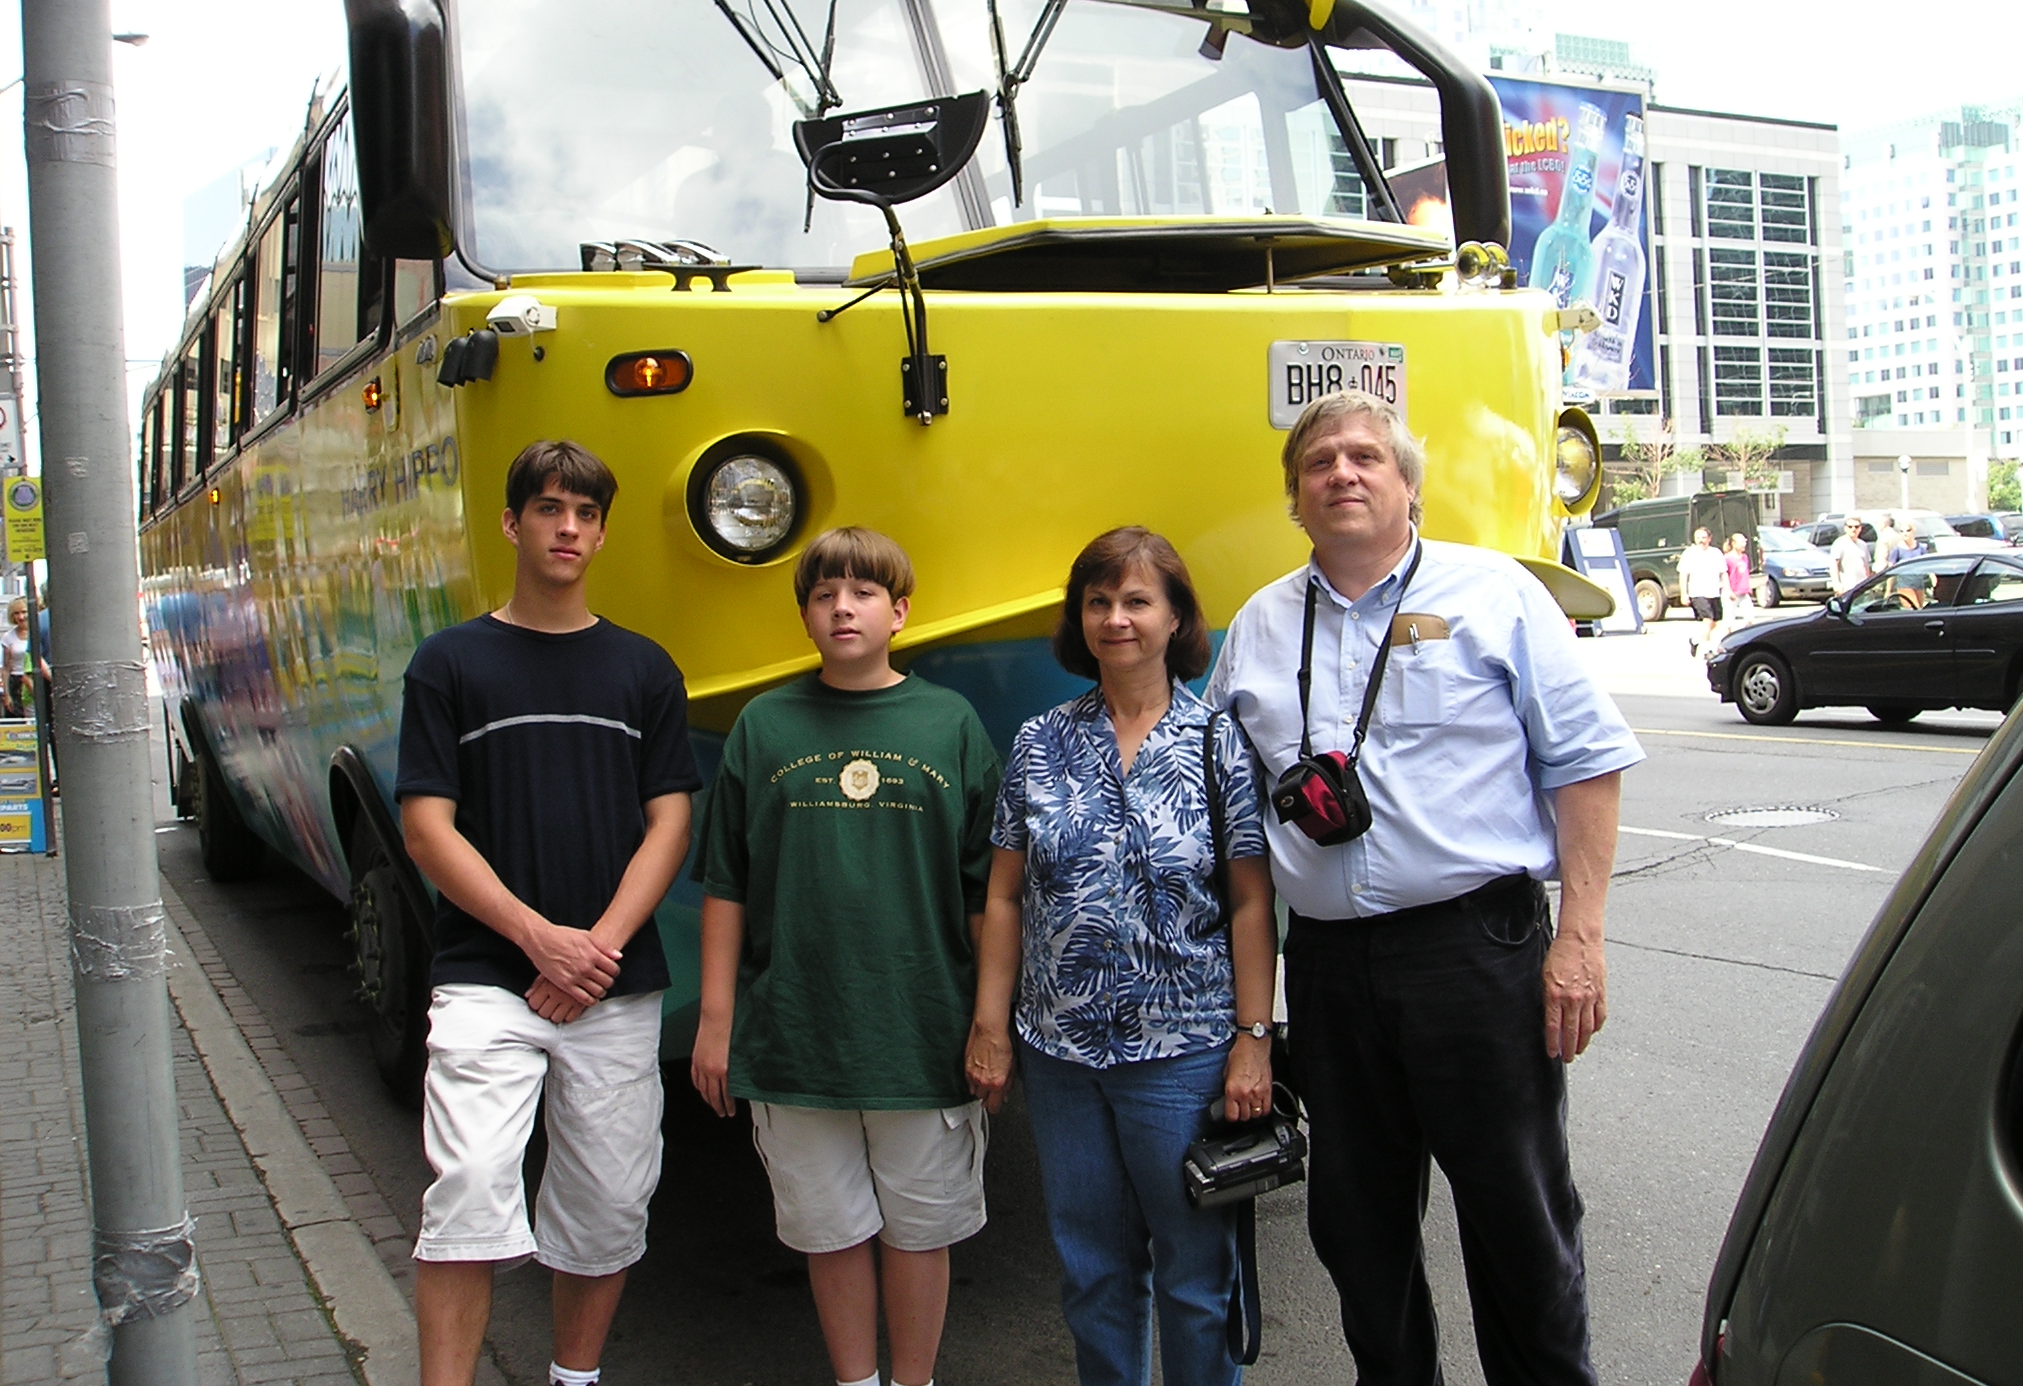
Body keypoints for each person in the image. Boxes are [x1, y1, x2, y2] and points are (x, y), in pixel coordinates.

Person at [1204, 390, 1644, 1386]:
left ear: (1407, 484)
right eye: (1318, 462)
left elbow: (1585, 762)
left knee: (1516, 1216)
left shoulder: (1495, 594)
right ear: (1295, 497)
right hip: (1328, 967)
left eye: (1365, 456)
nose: (1341, 473)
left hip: (1472, 954)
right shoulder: (1260, 625)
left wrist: (1579, 939)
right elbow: (1225, 809)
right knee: (1356, 1229)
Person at [395, 440, 700, 1386]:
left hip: (612, 984)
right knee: (468, 1192)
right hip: (488, 980)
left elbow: (671, 823)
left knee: (609, 1205)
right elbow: (426, 829)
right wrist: (538, 940)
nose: (568, 528)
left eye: (585, 514)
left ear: (601, 535)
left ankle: (576, 1378)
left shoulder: (644, 669)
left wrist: (594, 951)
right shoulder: (449, 663)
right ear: (512, 523)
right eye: (549, 509)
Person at [965, 528, 1276, 1386]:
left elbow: (1252, 902)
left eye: (1138, 600)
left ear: (1176, 618)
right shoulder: (1040, 740)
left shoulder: (1217, 743)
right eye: (1098, 602)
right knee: (1093, 1270)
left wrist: (1254, 1040)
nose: (1116, 619)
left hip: (1183, 1054)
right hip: (1060, 1052)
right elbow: (1004, 895)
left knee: (1197, 1276)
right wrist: (990, 1026)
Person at [692, 526, 1000, 1386]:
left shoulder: (951, 723)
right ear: (804, 616)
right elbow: (727, 885)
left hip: (922, 1034)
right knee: (829, 1234)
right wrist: (716, 1021)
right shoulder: (763, 725)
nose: (842, 608)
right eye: (824, 595)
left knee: (920, 1232)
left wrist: (991, 1023)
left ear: (899, 612)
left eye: (863, 593)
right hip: (795, 1035)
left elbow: (989, 894)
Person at [1677, 525, 1725, 657]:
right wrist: (1684, 593)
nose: (1700, 540)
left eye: (1703, 537)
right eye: (1698, 538)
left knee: (1715, 623)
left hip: (1713, 592)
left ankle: (1696, 641)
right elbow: (1683, 574)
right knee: (1708, 620)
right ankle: (1707, 650)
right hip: (1697, 592)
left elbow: (1723, 572)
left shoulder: (1716, 553)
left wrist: (1727, 589)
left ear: (1709, 539)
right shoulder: (1689, 553)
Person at [1719, 532, 1754, 639]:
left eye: (1745, 541)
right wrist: (1729, 591)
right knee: (1729, 619)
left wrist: (1748, 587)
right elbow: (1724, 576)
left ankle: (1748, 638)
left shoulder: (1744, 557)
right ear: (1734, 544)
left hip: (1743, 592)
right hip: (1732, 592)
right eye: (1742, 542)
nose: (1744, 544)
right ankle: (1727, 639)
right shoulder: (1727, 558)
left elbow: (1745, 574)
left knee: (1749, 617)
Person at [2, 600, 31, 718]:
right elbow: (6, 668)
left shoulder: (38, 632)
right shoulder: (8, 637)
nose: (21, 617)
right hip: (16, 680)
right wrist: (6, 694)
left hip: (34, 679)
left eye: (24, 612)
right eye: (16, 613)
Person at [1830, 515, 1873, 593]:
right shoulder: (1839, 543)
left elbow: (1866, 566)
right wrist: (1836, 583)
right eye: (1850, 527)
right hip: (1847, 587)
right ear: (1845, 528)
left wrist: (1868, 583)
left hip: (1862, 586)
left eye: (1856, 527)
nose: (1853, 529)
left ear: (1860, 528)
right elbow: (1834, 565)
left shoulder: (1863, 545)